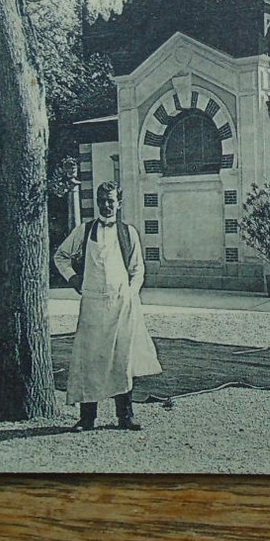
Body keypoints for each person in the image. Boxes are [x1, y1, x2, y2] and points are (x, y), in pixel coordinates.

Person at [52, 181, 161, 431]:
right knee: (89, 359)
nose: (107, 205)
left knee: (121, 359)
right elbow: (61, 256)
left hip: (121, 304)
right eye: (102, 200)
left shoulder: (128, 232)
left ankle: (125, 416)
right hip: (92, 304)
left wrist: (130, 295)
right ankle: (87, 418)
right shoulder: (84, 230)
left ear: (119, 203)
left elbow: (137, 269)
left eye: (111, 200)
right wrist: (73, 278)